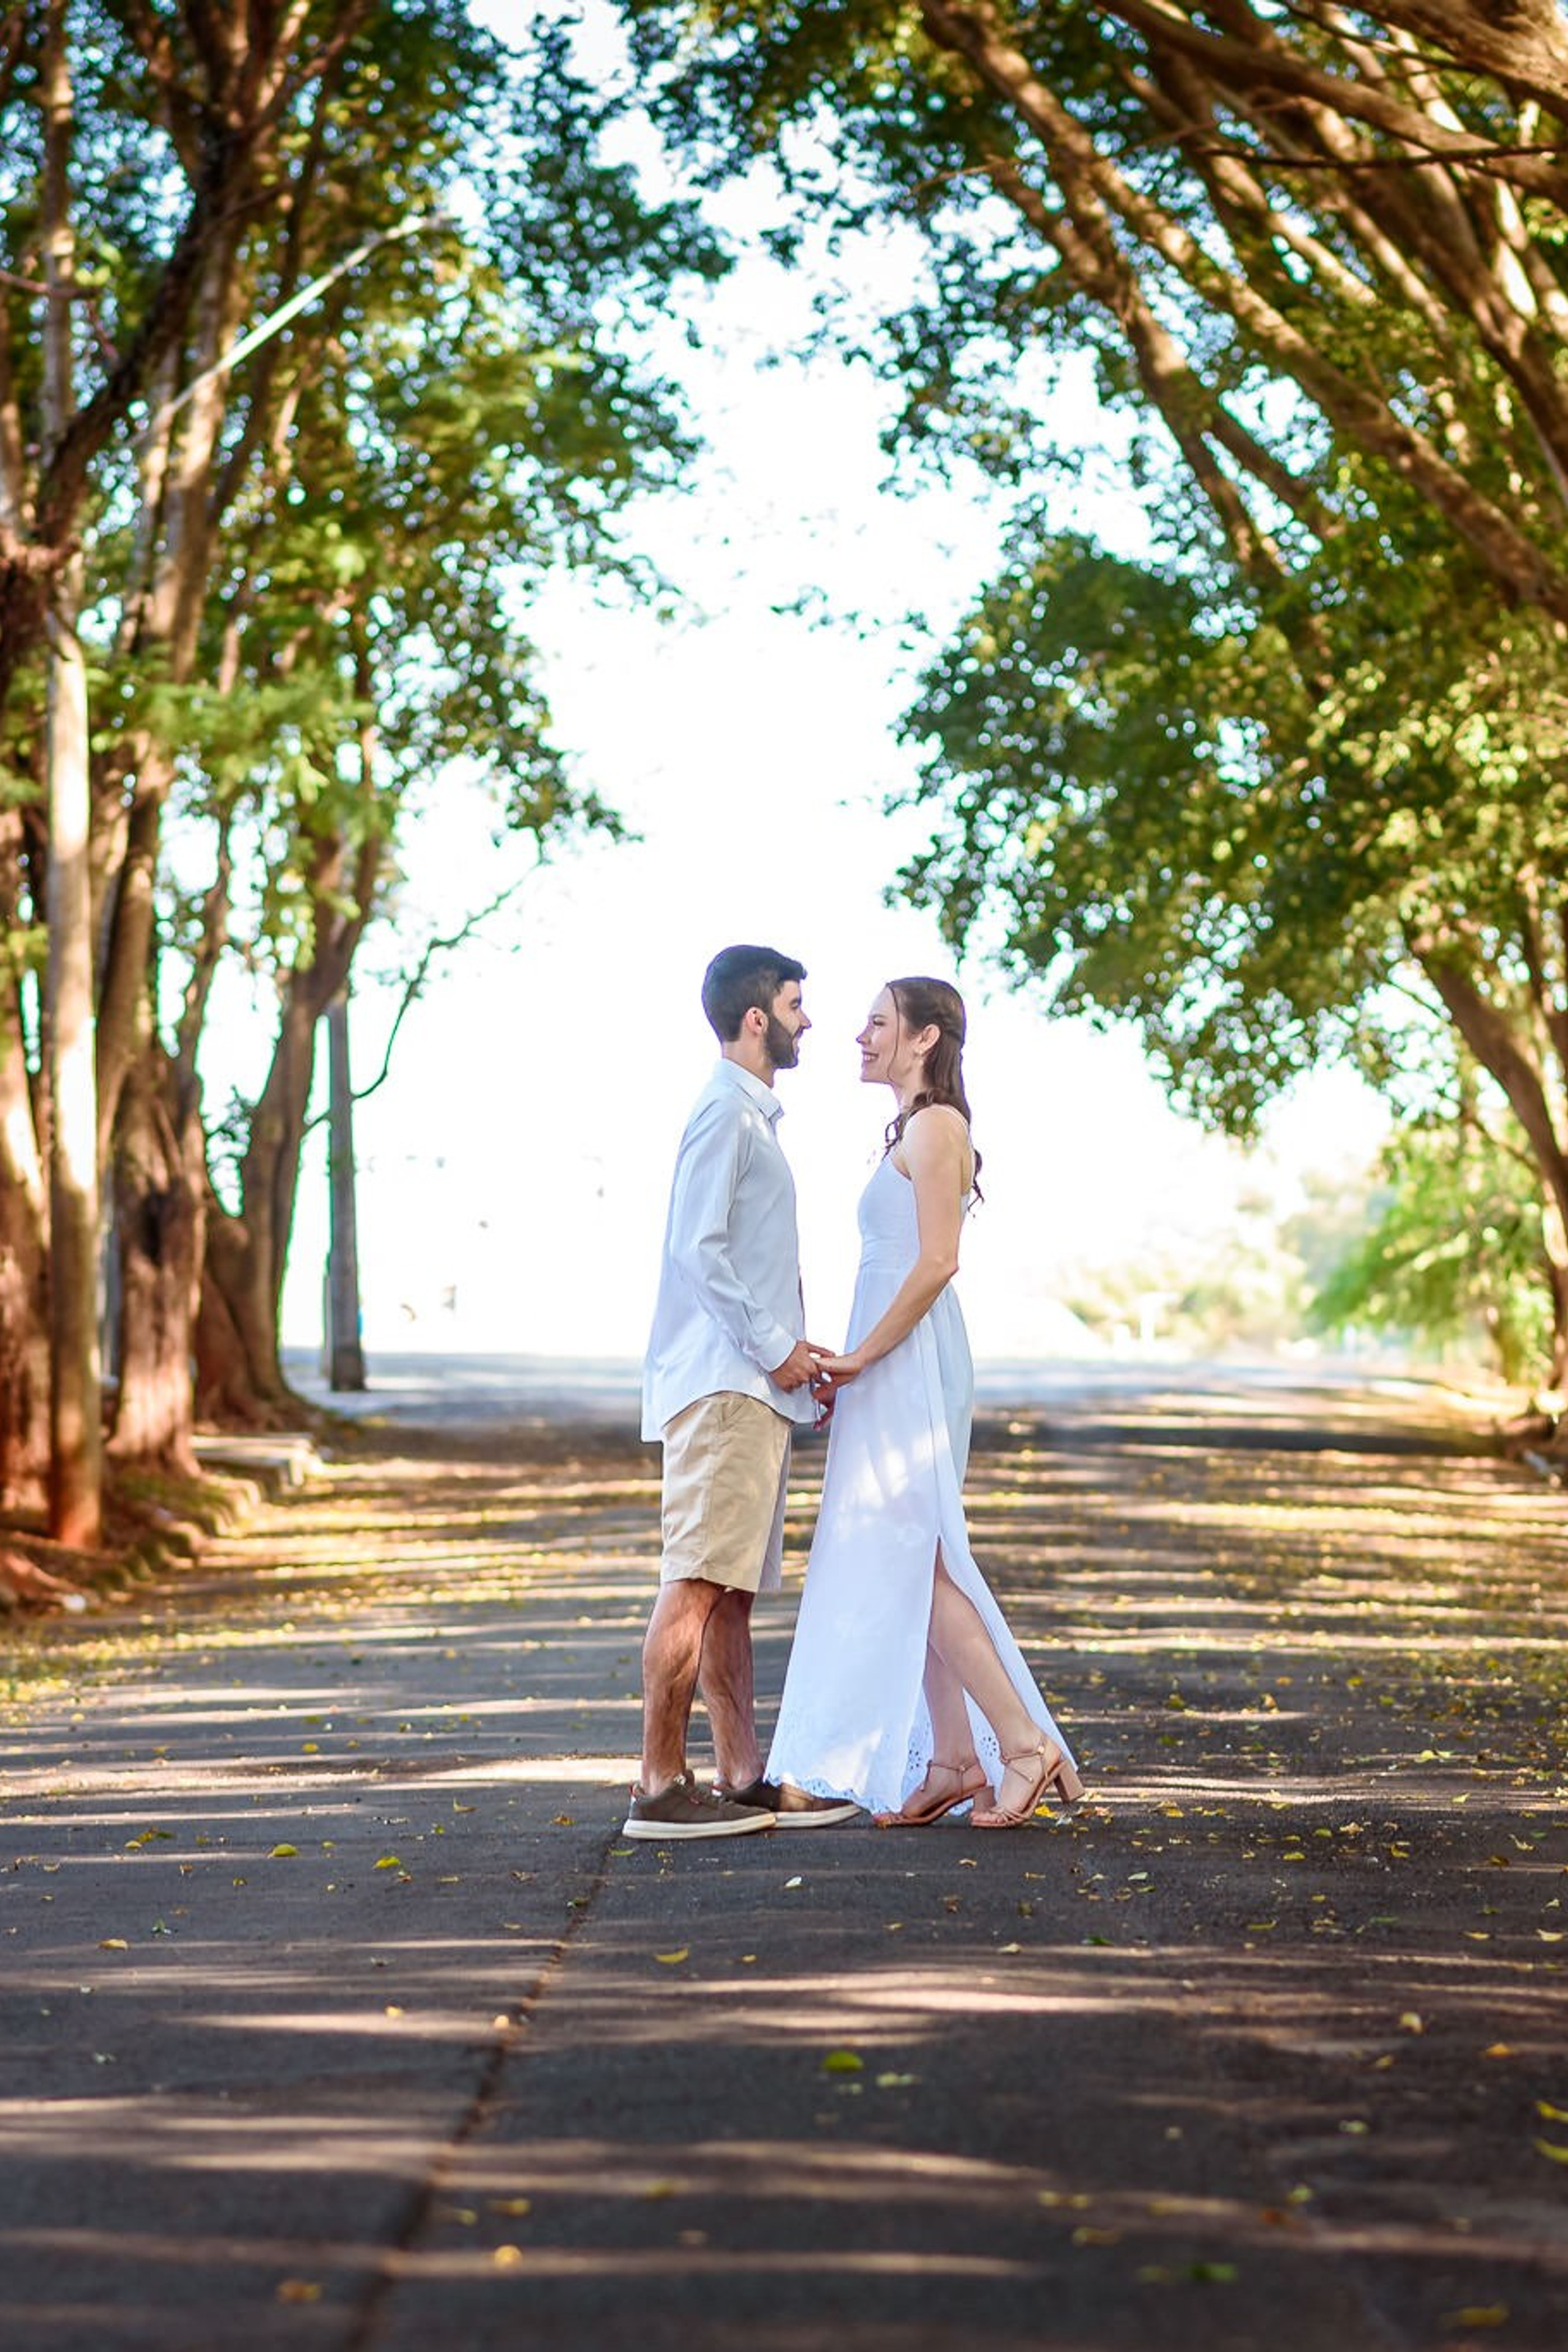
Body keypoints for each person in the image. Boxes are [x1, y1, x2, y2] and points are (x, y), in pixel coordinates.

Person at [766, 977, 1085, 1830]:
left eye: (877, 1023)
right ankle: (951, 1758)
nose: (859, 1036)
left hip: (909, 1363)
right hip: (887, 1364)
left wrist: (864, 1355)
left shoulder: (940, 1127)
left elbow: (939, 1262)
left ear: (925, 1038)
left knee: (919, 1555)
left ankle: (1021, 1746)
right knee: (914, 1553)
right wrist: (856, 1359)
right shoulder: (911, 1130)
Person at [626, 946, 862, 1841]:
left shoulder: (753, 1121)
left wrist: (795, 1362)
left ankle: (741, 1775)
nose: (810, 1020)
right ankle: (657, 1783)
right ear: (757, 1017)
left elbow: (746, 1263)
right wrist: (776, 1352)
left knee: (731, 1593)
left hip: (753, 1389)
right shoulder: (725, 1112)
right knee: (695, 1583)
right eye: (798, 1005)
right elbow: (700, 1249)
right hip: (725, 1388)